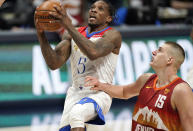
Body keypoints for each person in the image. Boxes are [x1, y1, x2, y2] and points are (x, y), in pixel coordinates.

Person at [34, 0, 122, 131]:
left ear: (108, 18)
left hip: (99, 93)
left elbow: (93, 52)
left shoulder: (112, 35)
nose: (94, 10)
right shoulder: (71, 33)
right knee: (75, 115)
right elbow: (54, 63)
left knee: (77, 114)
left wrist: (68, 25)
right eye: (92, 7)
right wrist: (41, 34)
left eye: (100, 9)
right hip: (74, 94)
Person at [85, 41, 193, 131]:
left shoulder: (181, 90)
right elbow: (124, 92)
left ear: (169, 60)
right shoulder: (146, 79)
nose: (154, 52)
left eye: (160, 50)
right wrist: (101, 85)